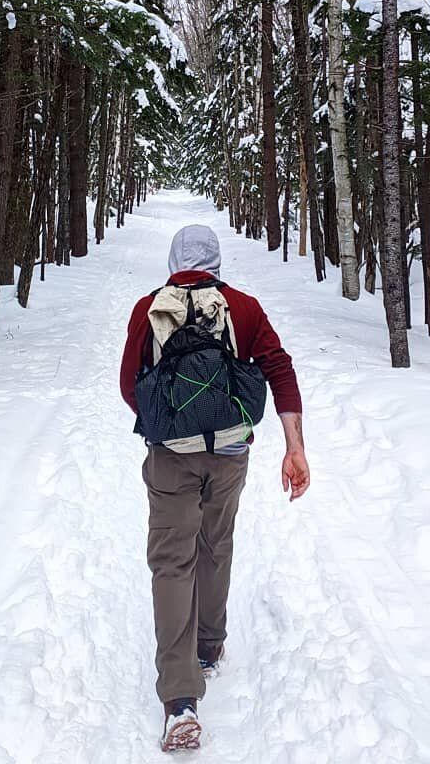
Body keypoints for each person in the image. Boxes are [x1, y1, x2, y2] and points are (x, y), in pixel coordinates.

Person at [119, 223, 310, 752]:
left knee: (172, 561)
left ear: (175, 260)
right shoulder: (244, 308)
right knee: (215, 543)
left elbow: (128, 384)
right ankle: (208, 645)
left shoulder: (149, 308)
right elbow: (280, 369)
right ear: (217, 262)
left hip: (170, 459)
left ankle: (180, 700)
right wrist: (294, 447)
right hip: (230, 454)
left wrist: (166, 423)